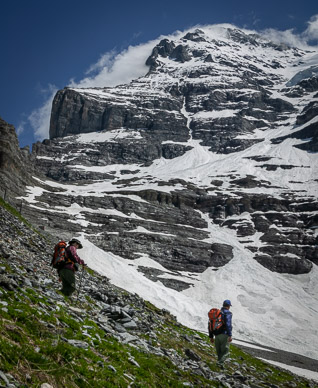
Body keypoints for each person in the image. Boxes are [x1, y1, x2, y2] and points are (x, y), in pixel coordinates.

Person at [209, 299, 233, 368]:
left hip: (216, 335)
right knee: (225, 352)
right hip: (224, 334)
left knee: (219, 352)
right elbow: (228, 324)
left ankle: (219, 367)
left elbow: (210, 324)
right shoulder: (227, 313)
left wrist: (211, 336)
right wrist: (230, 335)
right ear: (228, 306)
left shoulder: (217, 313)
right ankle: (219, 364)